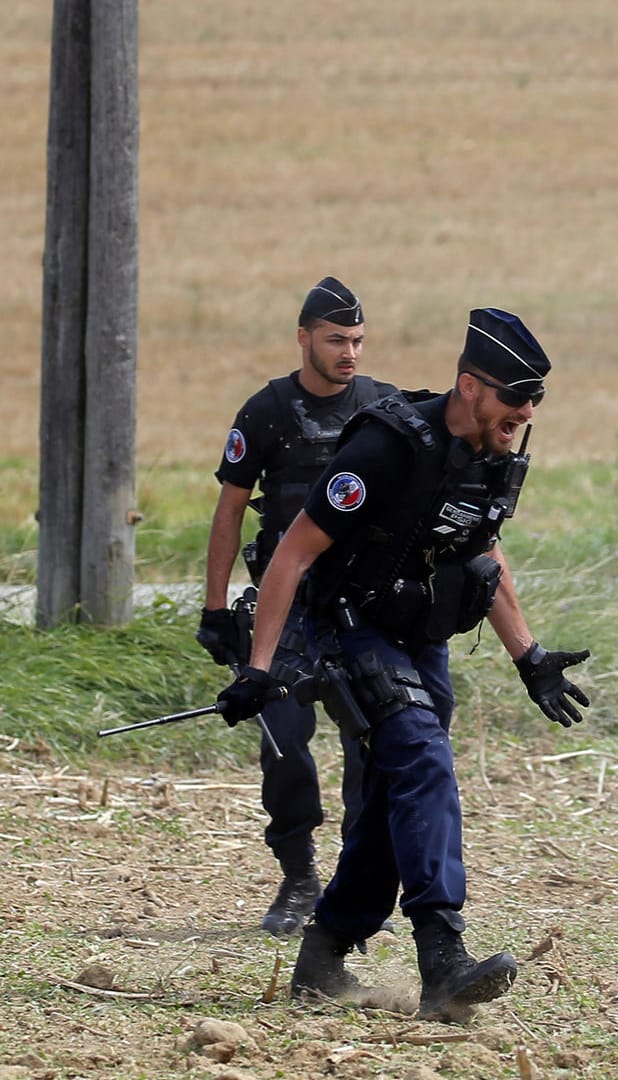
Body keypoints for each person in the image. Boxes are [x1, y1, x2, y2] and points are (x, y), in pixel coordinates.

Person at [216, 307, 593, 1021]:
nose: (524, 416)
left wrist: (530, 656)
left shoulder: (492, 450)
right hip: (344, 626)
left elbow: (483, 554)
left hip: (418, 634)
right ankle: (441, 955)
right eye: (513, 401)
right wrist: (259, 669)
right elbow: (294, 553)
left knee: (397, 798)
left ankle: (324, 950)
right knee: (422, 760)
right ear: (471, 387)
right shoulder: (387, 447)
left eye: (532, 405)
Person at [197, 276, 396, 937]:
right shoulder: (267, 411)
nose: (350, 353)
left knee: (373, 750)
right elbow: (229, 512)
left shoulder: (384, 407)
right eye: (337, 339)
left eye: (359, 341)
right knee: (283, 744)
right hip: (285, 611)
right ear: (304, 337)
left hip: (360, 610)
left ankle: (356, 888)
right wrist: (216, 608)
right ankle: (298, 878)